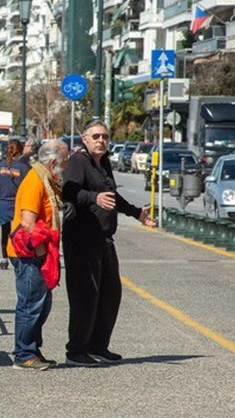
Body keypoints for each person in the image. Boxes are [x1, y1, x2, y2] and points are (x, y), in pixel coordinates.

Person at [61, 119, 155, 367]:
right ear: (84, 139)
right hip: (81, 240)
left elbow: (112, 196)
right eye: (96, 136)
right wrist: (93, 197)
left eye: (104, 136)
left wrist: (136, 213)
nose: (101, 140)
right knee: (85, 296)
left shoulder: (102, 163)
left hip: (103, 239)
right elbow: (67, 191)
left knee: (110, 294)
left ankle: (98, 345)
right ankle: (76, 350)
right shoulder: (77, 162)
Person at [6, 140, 69, 371]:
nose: (67, 166)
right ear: (54, 162)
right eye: (65, 161)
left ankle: (32, 349)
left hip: (38, 253)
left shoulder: (46, 179)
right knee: (30, 305)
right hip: (30, 254)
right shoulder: (35, 181)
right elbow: (28, 223)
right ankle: (23, 354)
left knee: (41, 305)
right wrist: (43, 255)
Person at [0, 138, 31, 270]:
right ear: (20, 152)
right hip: (17, 204)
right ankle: (18, 256)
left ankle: (4, 259)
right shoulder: (24, 168)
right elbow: (28, 187)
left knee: (5, 232)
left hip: (3, 203)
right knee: (20, 232)